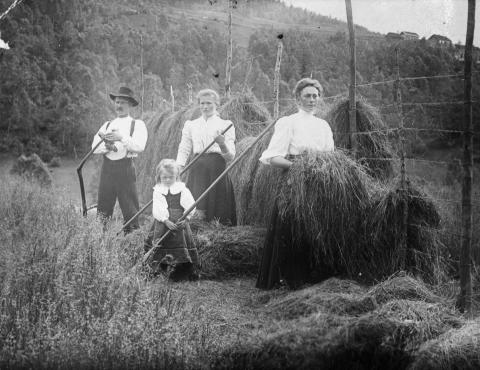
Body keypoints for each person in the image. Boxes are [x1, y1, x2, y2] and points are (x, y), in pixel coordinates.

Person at [256, 78, 335, 290]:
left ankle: (313, 277)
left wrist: (320, 170)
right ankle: (288, 278)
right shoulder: (288, 122)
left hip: (318, 180)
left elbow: (330, 156)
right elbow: (272, 158)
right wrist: (298, 168)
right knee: (291, 225)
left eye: (315, 96)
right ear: (298, 98)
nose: (311, 100)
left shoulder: (324, 126)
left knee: (314, 225)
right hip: (293, 179)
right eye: (307, 96)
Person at [176, 89, 237, 225]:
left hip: (217, 168)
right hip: (197, 168)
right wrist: (179, 167)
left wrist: (222, 144)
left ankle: (218, 231)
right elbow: (184, 148)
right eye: (202, 103)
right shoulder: (191, 125)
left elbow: (230, 157)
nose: (205, 106)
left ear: (217, 104)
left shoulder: (226, 125)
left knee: (218, 208)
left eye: (209, 103)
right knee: (197, 208)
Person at [91, 86, 148, 232]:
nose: (119, 105)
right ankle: (102, 239)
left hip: (125, 168)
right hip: (107, 169)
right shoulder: (107, 125)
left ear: (130, 105)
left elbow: (139, 146)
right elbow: (94, 148)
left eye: (123, 102)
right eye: (117, 102)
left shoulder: (137, 124)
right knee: (103, 207)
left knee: (130, 207)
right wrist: (107, 147)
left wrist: (121, 138)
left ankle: (132, 239)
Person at [144, 159, 199, 281]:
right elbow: (157, 208)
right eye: (164, 177)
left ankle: (182, 271)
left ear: (176, 176)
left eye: (171, 177)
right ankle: (159, 269)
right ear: (159, 177)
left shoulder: (182, 189)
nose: (168, 180)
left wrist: (186, 219)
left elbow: (191, 205)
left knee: (180, 242)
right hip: (163, 223)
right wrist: (165, 221)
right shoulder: (158, 190)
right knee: (160, 242)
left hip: (179, 221)